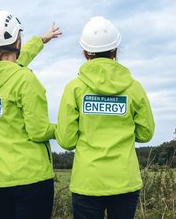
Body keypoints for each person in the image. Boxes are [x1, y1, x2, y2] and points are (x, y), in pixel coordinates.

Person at [56, 16, 155, 219]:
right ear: (115, 51)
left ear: (85, 53)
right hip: (124, 180)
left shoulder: (74, 88)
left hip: (87, 181)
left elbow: (66, 140)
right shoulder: (134, 88)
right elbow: (146, 134)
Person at [0, 8, 62, 219]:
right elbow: (39, 131)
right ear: (17, 40)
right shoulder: (25, 80)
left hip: (0, 180)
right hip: (31, 179)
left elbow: (14, 63)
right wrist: (63, 128)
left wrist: (41, 40)